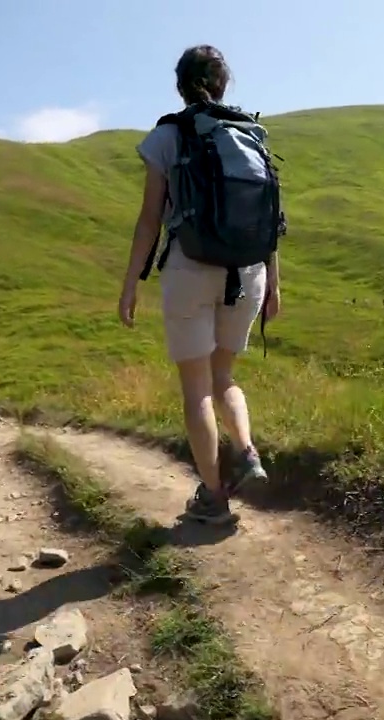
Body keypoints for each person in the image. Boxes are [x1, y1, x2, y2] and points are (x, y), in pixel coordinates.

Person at [116, 44, 282, 524]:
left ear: (180, 85)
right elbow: (271, 220)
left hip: (190, 269)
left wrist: (132, 282)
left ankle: (214, 497)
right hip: (247, 271)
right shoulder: (252, 134)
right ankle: (248, 451)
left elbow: (150, 219)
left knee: (196, 390)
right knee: (224, 376)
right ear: (224, 84)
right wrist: (274, 283)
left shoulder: (169, 135)